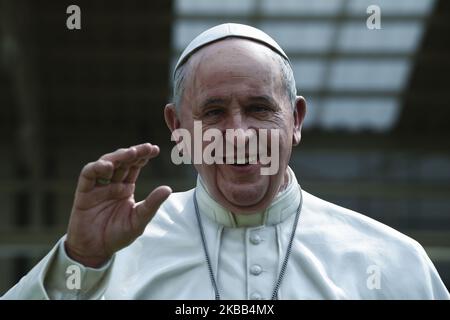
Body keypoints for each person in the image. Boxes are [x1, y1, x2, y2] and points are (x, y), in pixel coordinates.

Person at [2, 23, 449, 300]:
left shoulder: (392, 262)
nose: (237, 134)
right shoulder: (112, 255)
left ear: (295, 120)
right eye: (213, 112)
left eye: (259, 108)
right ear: (178, 127)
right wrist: (80, 260)